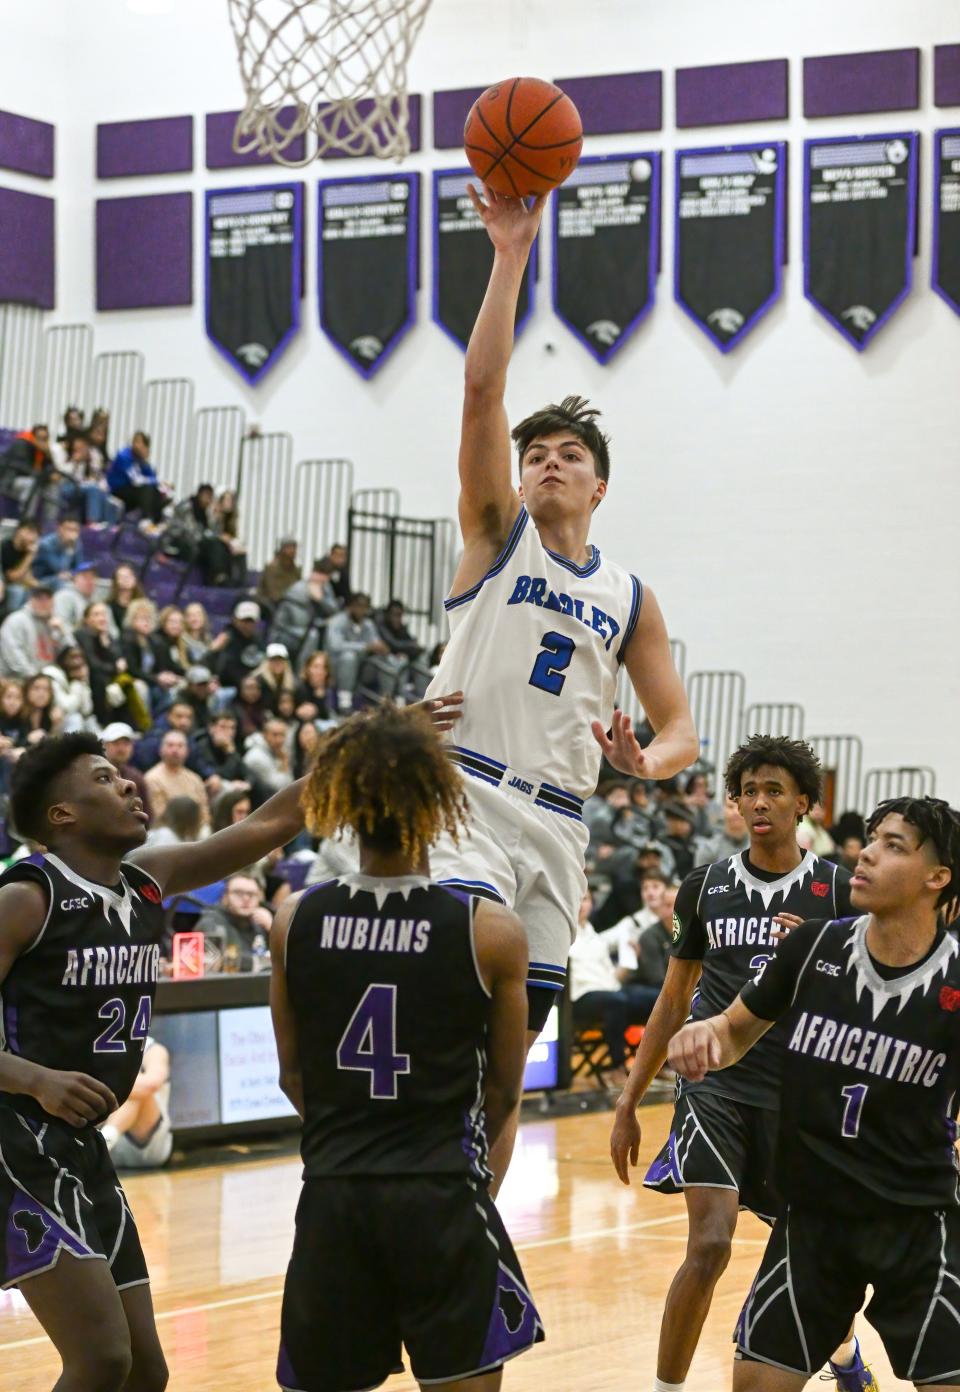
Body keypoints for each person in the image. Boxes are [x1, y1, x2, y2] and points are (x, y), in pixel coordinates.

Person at [421, 183, 697, 1188]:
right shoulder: (496, 538)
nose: (545, 462)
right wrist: (510, 255)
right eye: (535, 453)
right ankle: (404, 1178)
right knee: (463, 990)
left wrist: (643, 762)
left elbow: (680, 734)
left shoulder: (629, 595)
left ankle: (474, 1222)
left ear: (598, 485)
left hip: (560, 823)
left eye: (566, 455)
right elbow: (482, 394)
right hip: (467, 795)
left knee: (509, 1065)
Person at [0, 729, 313, 1390]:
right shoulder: (26, 898)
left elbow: (275, 820)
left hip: (81, 1147)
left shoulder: (149, 883)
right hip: (14, 1143)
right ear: (64, 816)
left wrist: (372, 757)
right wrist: (37, 1079)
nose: (129, 784)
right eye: (104, 779)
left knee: (144, 1371)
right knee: (101, 1359)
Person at [269, 704, 542, 1392]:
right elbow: (506, 1092)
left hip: (333, 1193)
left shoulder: (294, 919)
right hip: (441, 1192)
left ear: (343, 809)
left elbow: (292, 1075)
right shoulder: (490, 930)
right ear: (440, 805)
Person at [668, 795, 960, 1392]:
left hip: (916, 1223)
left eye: (893, 846)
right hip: (813, 1220)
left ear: (938, 877)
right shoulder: (812, 949)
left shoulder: (954, 980)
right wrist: (704, 1035)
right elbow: (732, 1033)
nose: (867, 854)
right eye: (872, 839)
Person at [610, 736, 865, 1392]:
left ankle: (843, 1357)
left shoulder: (838, 892)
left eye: (775, 790)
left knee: (807, 1262)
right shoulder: (707, 886)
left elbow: (862, 1003)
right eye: (749, 790)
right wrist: (629, 1100)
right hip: (715, 1088)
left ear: (804, 804)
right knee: (710, 1245)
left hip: (799, 1100)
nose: (759, 802)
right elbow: (673, 1000)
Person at [101, 1036, 173, 1170]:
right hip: (96, 1134)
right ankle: (100, 1143)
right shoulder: (88, 1045)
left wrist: (99, 1082)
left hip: (148, 1145)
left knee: (132, 1083)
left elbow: (151, 1085)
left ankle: (106, 1139)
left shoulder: (154, 1049)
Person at [324, 591, 390, 711]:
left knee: (386, 660)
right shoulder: (337, 621)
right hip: (336, 665)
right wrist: (365, 646)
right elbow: (335, 645)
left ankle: (388, 699)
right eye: (358, 606)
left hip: (361, 667)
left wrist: (382, 648)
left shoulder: (368, 624)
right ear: (350, 606)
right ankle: (345, 700)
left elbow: (374, 642)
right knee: (349, 656)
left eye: (365, 607)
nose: (362, 610)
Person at [197, 873, 274, 973]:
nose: (246, 899)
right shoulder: (211, 922)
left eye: (252, 894)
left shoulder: (262, 922)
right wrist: (266, 962)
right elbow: (223, 961)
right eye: (238, 893)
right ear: (225, 897)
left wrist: (272, 928)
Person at [269, 558, 339, 663]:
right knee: (312, 636)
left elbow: (335, 611)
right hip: (288, 633)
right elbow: (283, 623)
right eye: (320, 574)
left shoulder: (325, 588)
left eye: (326, 576)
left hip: (312, 631)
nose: (323, 579)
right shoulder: (298, 590)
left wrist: (321, 600)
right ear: (313, 572)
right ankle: (301, 674)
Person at [144, 729, 210, 829]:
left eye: (180, 746)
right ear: (161, 750)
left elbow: (204, 813)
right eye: (170, 745)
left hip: (196, 831)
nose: (175, 750)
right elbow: (158, 816)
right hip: (167, 832)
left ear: (187, 751)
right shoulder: (152, 778)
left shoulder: (195, 779)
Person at [0, 587, 67, 680]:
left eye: (47, 599)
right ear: (30, 600)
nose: (43, 603)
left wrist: (62, 633)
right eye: (39, 599)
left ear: (53, 602)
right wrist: (34, 678)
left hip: (44, 680)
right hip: (16, 680)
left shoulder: (53, 623)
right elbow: (14, 656)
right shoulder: (16, 620)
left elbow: (69, 653)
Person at [106, 430, 167, 524]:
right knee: (147, 489)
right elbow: (137, 480)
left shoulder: (140, 460)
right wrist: (157, 481)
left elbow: (151, 477)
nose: (136, 444)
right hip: (118, 488)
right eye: (135, 441)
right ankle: (146, 520)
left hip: (132, 490)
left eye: (139, 442)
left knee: (156, 491)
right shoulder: (124, 455)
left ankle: (156, 522)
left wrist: (145, 461)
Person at [101, 721, 152, 818]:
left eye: (126, 743)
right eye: (116, 743)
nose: (121, 748)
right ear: (104, 745)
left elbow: (148, 815)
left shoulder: (136, 777)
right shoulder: (96, 775)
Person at [213, 600, 265, 692]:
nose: (247, 624)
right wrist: (243, 681)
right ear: (235, 620)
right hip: (229, 686)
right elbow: (225, 669)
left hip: (254, 685)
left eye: (250, 621)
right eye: (244, 620)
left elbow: (262, 661)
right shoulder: (227, 638)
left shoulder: (258, 639)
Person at [243, 716, 293, 798]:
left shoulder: (277, 751)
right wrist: (284, 762)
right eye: (275, 735)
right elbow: (280, 788)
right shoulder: (256, 757)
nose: (279, 740)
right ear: (264, 735)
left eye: (282, 735)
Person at [693, 794, 750, 866]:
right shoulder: (708, 851)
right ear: (723, 810)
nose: (736, 812)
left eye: (741, 807)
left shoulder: (762, 851)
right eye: (730, 807)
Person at [1, 519, 40, 609]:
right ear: (19, 530)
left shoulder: (26, 550)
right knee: (18, 591)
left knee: (35, 591)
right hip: (4, 584)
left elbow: (28, 578)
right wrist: (30, 556)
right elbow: (13, 577)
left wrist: (41, 587)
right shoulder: (6, 547)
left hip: (15, 583)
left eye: (36, 534)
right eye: (30, 532)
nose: (33, 538)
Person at [52, 561, 100, 633]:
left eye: (93, 576)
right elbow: (60, 625)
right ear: (74, 579)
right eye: (85, 577)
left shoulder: (96, 598)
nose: (90, 580)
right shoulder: (64, 596)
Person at [257, 537, 302, 610]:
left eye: (294, 548)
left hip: (290, 602)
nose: (293, 551)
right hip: (272, 604)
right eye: (290, 548)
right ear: (282, 549)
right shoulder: (272, 568)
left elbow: (299, 588)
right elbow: (274, 594)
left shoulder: (295, 569)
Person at [293, 650, 334, 724]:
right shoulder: (299, 689)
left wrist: (320, 696)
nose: (319, 671)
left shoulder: (331, 690)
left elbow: (330, 716)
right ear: (307, 668)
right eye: (316, 667)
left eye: (324, 668)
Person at [254, 642, 297, 713]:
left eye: (280, 660)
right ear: (266, 662)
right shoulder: (258, 681)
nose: (277, 663)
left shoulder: (293, 683)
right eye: (273, 660)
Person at [315, 541, 349, 606]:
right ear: (331, 555)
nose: (340, 559)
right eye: (338, 555)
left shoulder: (343, 571)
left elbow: (346, 591)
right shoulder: (323, 568)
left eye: (343, 556)